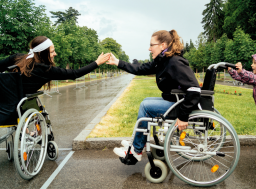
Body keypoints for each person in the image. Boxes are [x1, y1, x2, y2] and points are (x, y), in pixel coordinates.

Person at [107, 30, 201, 162]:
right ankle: (136, 144)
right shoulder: (163, 60)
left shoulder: (174, 62)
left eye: (152, 45)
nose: (149, 48)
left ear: (163, 45)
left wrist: (183, 116)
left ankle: (136, 150)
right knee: (146, 101)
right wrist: (118, 62)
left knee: (146, 106)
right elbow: (140, 69)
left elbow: (194, 89)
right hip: (176, 101)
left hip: (182, 105)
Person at [0, 36, 110, 94]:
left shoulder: (16, 58)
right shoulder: (46, 70)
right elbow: (75, 74)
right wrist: (97, 63)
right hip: (19, 104)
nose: (55, 54)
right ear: (42, 53)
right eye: (52, 51)